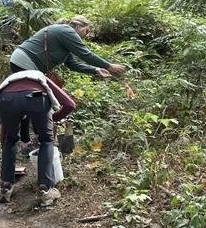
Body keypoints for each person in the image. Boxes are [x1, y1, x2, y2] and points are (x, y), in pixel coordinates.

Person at [9, 16, 127, 154]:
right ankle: (29, 140)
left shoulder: (64, 38)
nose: (86, 35)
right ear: (78, 26)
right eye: (86, 31)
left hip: (22, 62)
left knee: (33, 102)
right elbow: (85, 54)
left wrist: (95, 70)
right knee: (48, 103)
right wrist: (109, 66)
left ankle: (30, 139)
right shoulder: (67, 31)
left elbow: (73, 64)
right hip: (25, 63)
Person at [0, 70, 75, 206]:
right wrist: (52, 118)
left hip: (5, 99)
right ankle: (45, 189)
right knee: (46, 140)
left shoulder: (9, 81)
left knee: (10, 140)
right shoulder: (40, 77)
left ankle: (5, 188)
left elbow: (5, 134)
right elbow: (70, 104)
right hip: (37, 97)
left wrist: (6, 142)